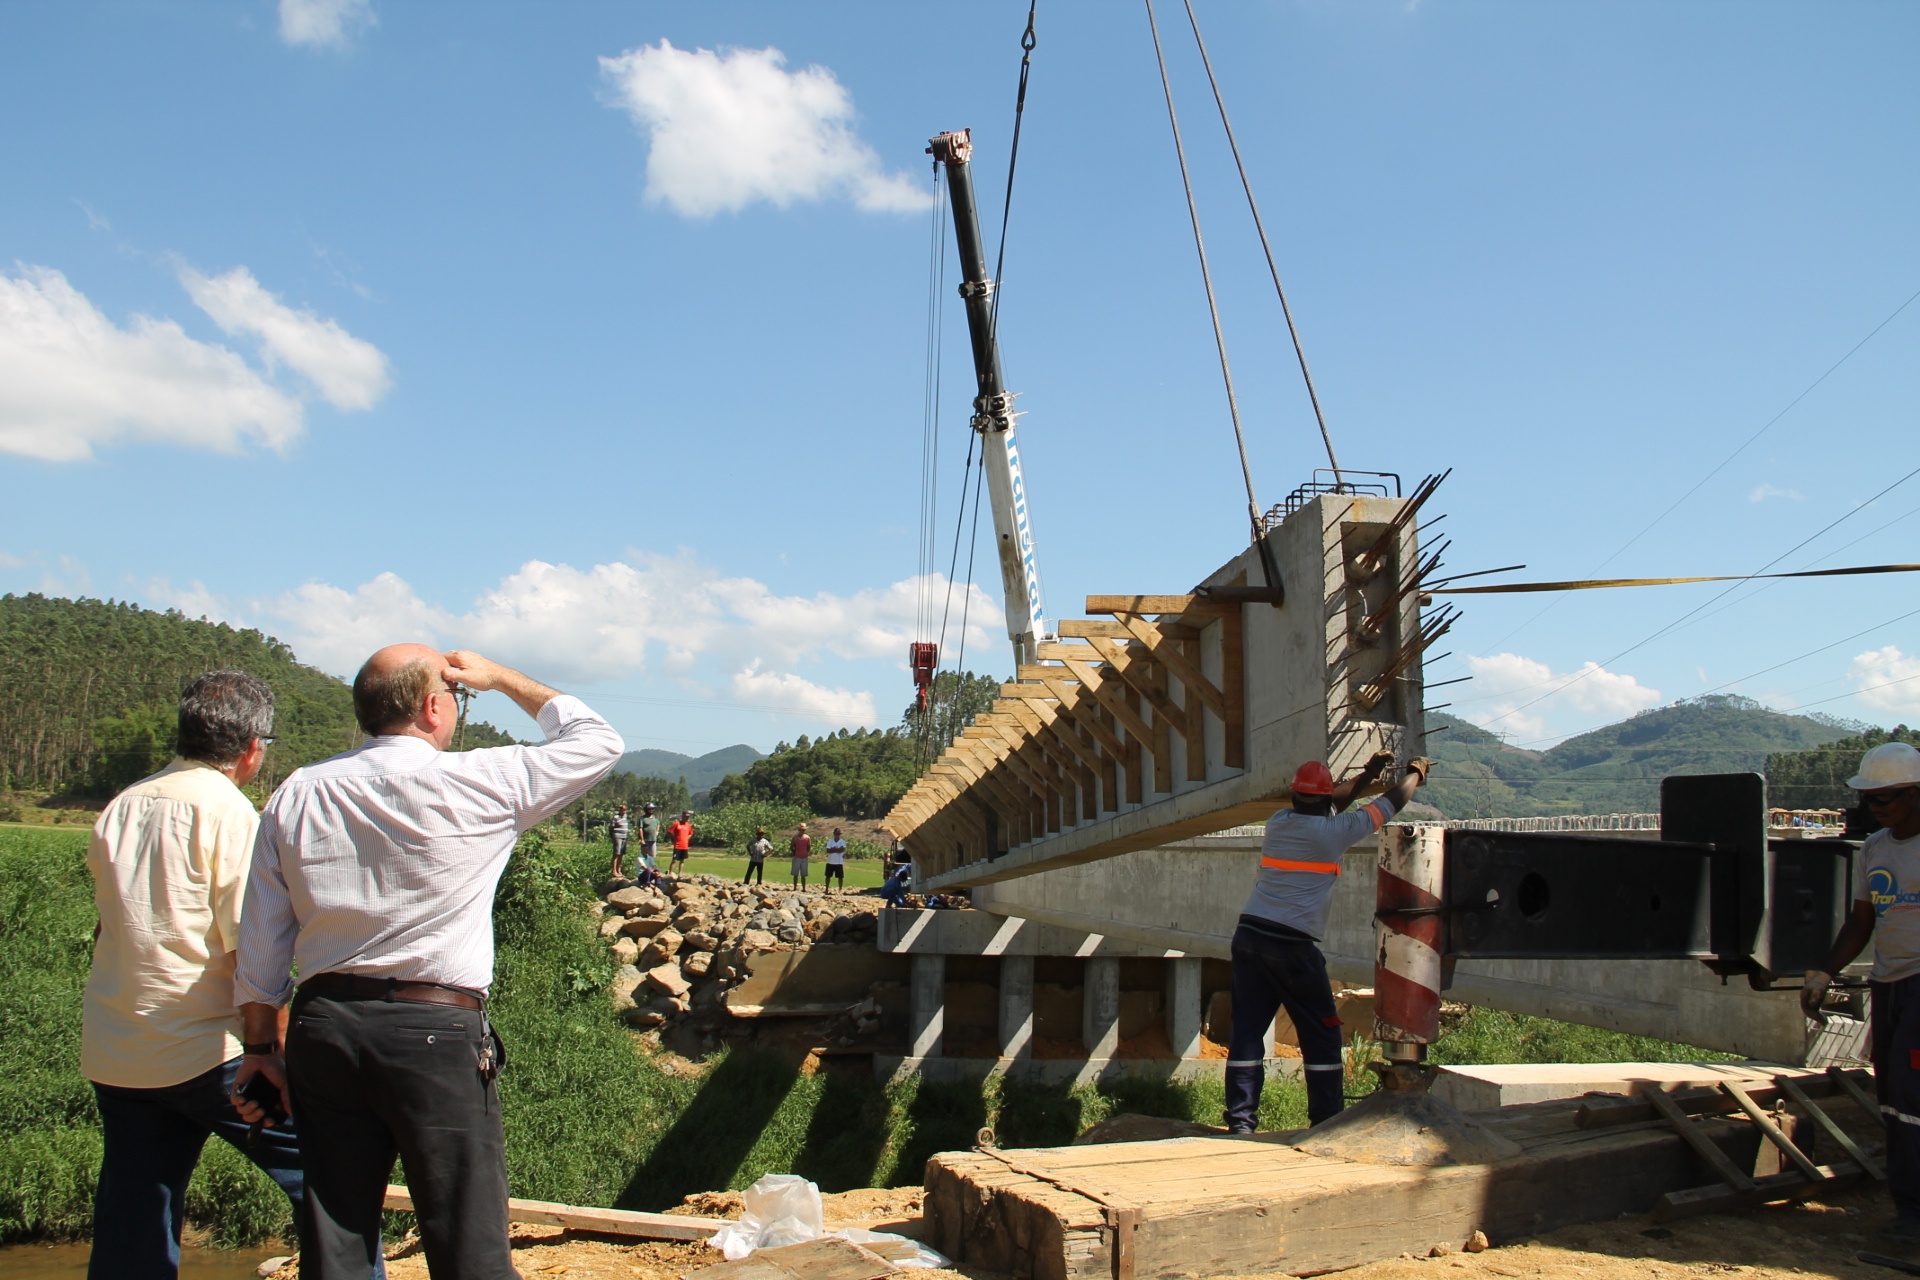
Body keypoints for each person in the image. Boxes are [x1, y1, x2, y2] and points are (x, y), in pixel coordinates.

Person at [232, 646, 622, 1279]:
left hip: (323, 1025)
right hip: (434, 1031)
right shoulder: (479, 780)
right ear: (433, 706)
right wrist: (499, 679)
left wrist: (259, 1049)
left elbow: (262, 939)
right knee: (467, 1238)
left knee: (336, 1241)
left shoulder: (298, 790)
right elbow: (597, 742)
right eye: (455, 696)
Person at [82, 671, 304, 1280]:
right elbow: (252, 953)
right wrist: (270, 1048)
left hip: (118, 1048)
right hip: (212, 1053)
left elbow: (109, 928)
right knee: (323, 1176)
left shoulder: (123, 805)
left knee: (135, 1216)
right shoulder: (230, 814)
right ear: (253, 748)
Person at [1224, 750, 1429, 1135]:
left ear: (1294, 797)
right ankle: (1327, 1121)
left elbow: (1331, 801)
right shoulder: (1333, 832)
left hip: (1249, 936)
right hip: (1292, 946)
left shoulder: (1279, 822)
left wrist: (1369, 773)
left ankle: (1240, 1123)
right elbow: (1389, 805)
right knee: (1321, 1033)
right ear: (1321, 799)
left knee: (1248, 1032)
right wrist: (1415, 775)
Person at [1802, 741, 1920, 1258]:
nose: (1878, 808)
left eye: (1887, 798)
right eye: (1870, 800)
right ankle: (1907, 1206)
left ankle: (1917, 1215)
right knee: (1893, 1094)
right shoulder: (1875, 847)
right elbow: (1862, 920)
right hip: (1889, 985)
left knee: (1915, 1094)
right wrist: (1824, 972)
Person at [639, 802, 661, 878]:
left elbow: (658, 824)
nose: (651, 810)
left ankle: (652, 872)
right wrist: (641, 839)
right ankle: (645, 872)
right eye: (649, 809)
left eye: (652, 809)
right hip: (646, 840)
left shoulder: (655, 818)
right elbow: (640, 829)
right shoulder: (643, 819)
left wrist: (657, 831)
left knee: (652, 856)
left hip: (653, 840)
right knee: (645, 856)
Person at [668, 810, 694, 875]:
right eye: (685, 816)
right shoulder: (677, 823)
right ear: (682, 816)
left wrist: (687, 838)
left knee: (682, 860)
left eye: (688, 817)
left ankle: (680, 874)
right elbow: (670, 831)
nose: (686, 818)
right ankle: (670, 873)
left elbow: (691, 833)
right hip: (677, 845)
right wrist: (673, 839)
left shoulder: (688, 825)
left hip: (684, 846)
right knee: (674, 860)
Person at [609, 804, 631, 881]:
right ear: (620, 810)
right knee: (616, 853)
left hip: (624, 837)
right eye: (623, 810)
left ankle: (619, 870)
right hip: (617, 836)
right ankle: (614, 870)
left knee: (621, 854)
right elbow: (611, 827)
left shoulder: (625, 817)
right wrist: (612, 836)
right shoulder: (616, 817)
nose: (624, 811)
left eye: (625, 810)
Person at [823, 828, 847, 893]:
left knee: (840, 877)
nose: (837, 835)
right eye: (836, 834)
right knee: (828, 876)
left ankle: (840, 889)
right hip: (830, 861)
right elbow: (828, 850)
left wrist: (833, 850)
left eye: (838, 834)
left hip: (839, 862)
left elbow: (842, 850)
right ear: (834, 834)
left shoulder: (842, 841)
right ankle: (826, 889)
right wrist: (837, 850)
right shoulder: (830, 841)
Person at [790, 823, 811, 889]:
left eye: (804, 830)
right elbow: (791, 846)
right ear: (799, 830)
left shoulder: (807, 838)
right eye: (801, 830)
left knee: (803, 874)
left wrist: (805, 853)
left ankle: (804, 888)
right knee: (795, 874)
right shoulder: (795, 838)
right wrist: (795, 853)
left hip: (804, 857)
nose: (803, 831)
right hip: (797, 857)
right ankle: (795, 887)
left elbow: (809, 847)